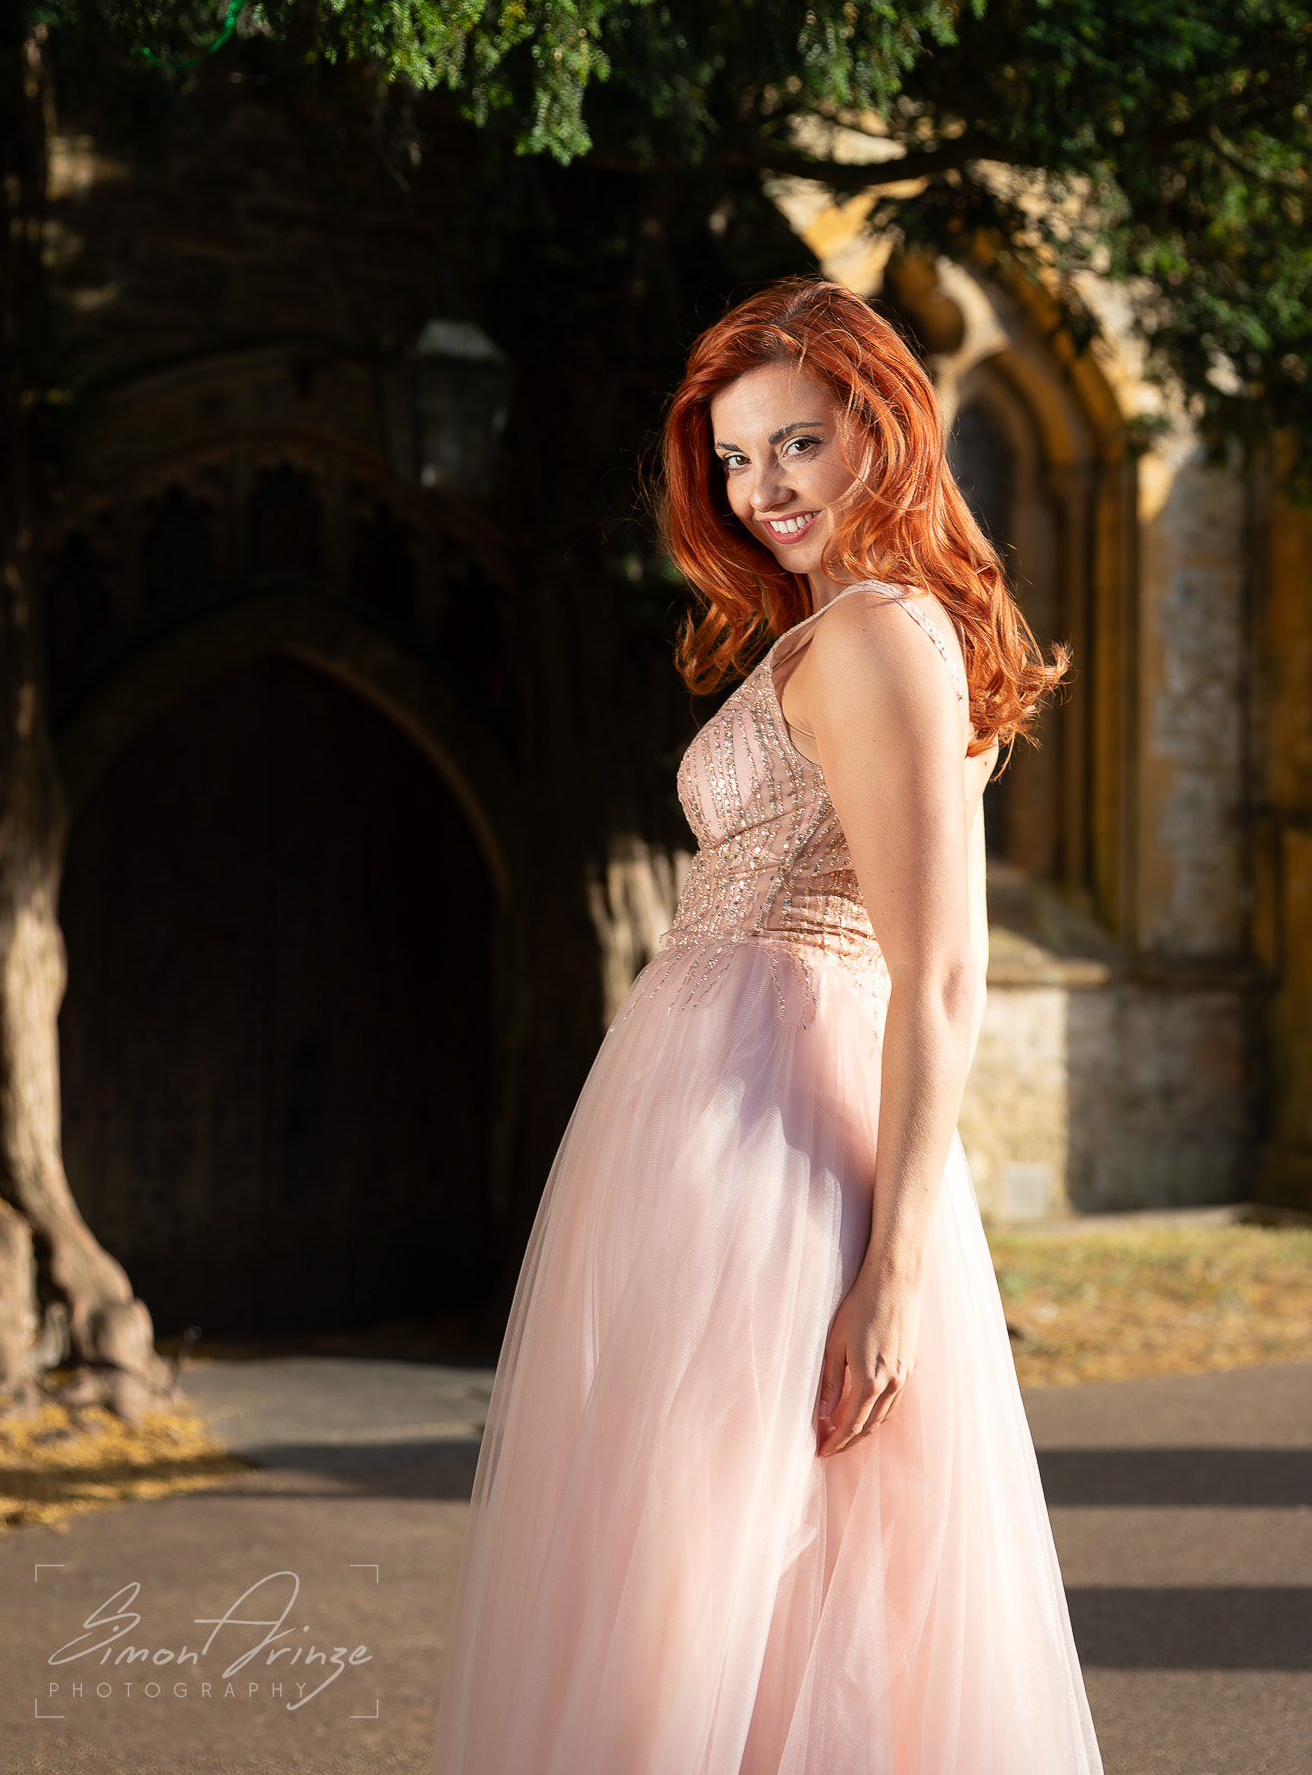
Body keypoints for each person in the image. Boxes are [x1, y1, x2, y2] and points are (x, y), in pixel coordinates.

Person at [431, 279, 1103, 1774]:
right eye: (735, 459)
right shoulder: (841, 632)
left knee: (729, 1579)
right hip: (717, 1137)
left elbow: (937, 969)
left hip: (776, 1158)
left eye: (796, 444)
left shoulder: (873, 635)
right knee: (701, 1579)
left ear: (881, 428)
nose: (761, 490)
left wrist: (895, 1269)